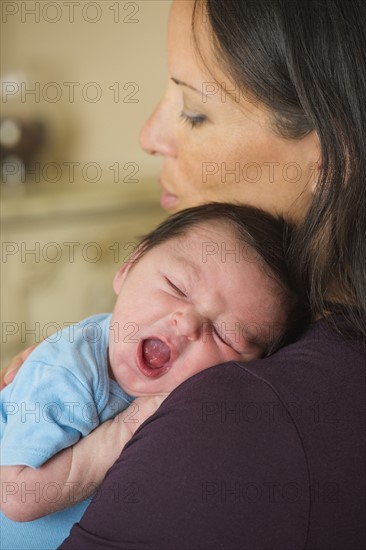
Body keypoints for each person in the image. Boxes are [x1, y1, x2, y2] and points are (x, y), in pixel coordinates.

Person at [1, 0, 365, 548]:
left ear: (332, 155)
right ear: (131, 266)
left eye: (194, 111)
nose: (149, 136)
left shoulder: (233, 423)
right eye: (174, 283)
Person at [0, 202, 304, 550]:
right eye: (176, 286)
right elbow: (17, 496)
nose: (187, 323)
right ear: (128, 267)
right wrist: (127, 426)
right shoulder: (67, 370)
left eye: (226, 335)